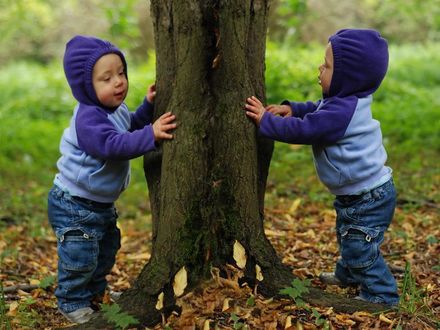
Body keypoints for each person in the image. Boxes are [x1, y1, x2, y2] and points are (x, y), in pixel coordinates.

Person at [245, 29, 399, 306]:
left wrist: (265, 122)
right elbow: (318, 108)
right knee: (348, 235)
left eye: (327, 66)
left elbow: (308, 130)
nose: (320, 67)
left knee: (358, 244)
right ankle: (349, 275)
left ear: (346, 79)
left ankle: (382, 295)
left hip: (368, 197)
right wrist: (293, 109)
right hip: (361, 193)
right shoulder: (344, 102)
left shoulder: (342, 112)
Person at [47, 35, 177, 324]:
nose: (118, 82)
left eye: (121, 73)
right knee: (80, 255)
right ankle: (71, 300)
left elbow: (128, 125)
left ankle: (96, 293)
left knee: (104, 251)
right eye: (106, 78)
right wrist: (150, 135)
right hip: (75, 204)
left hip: (99, 203)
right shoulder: (89, 119)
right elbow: (112, 145)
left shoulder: (112, 109)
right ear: (86, 88)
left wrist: (147, 110)